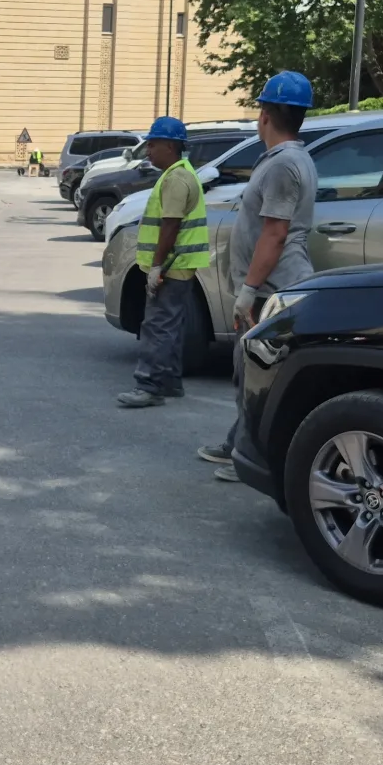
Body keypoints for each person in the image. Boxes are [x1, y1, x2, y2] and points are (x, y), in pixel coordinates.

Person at [197, 71, 318, 477]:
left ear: (264, 115)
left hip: (272, 288)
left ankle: (250, 460)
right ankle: (239, 443)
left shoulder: (284, 165)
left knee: (255, 375)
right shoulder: (286, 160)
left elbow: (275, 232)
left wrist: (249, 290)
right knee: (250, 370)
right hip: (270, 285)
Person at [116, 116, 210, 408]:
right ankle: (169, 382)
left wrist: (156, 267)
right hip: (178, 266)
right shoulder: (181, 174)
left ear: (170, 146)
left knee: (157, 327)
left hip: (170, 266)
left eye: (153, 145)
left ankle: (150, 386)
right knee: (170, 326)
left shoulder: (176, 179)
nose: (148, 151)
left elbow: (170, 226)